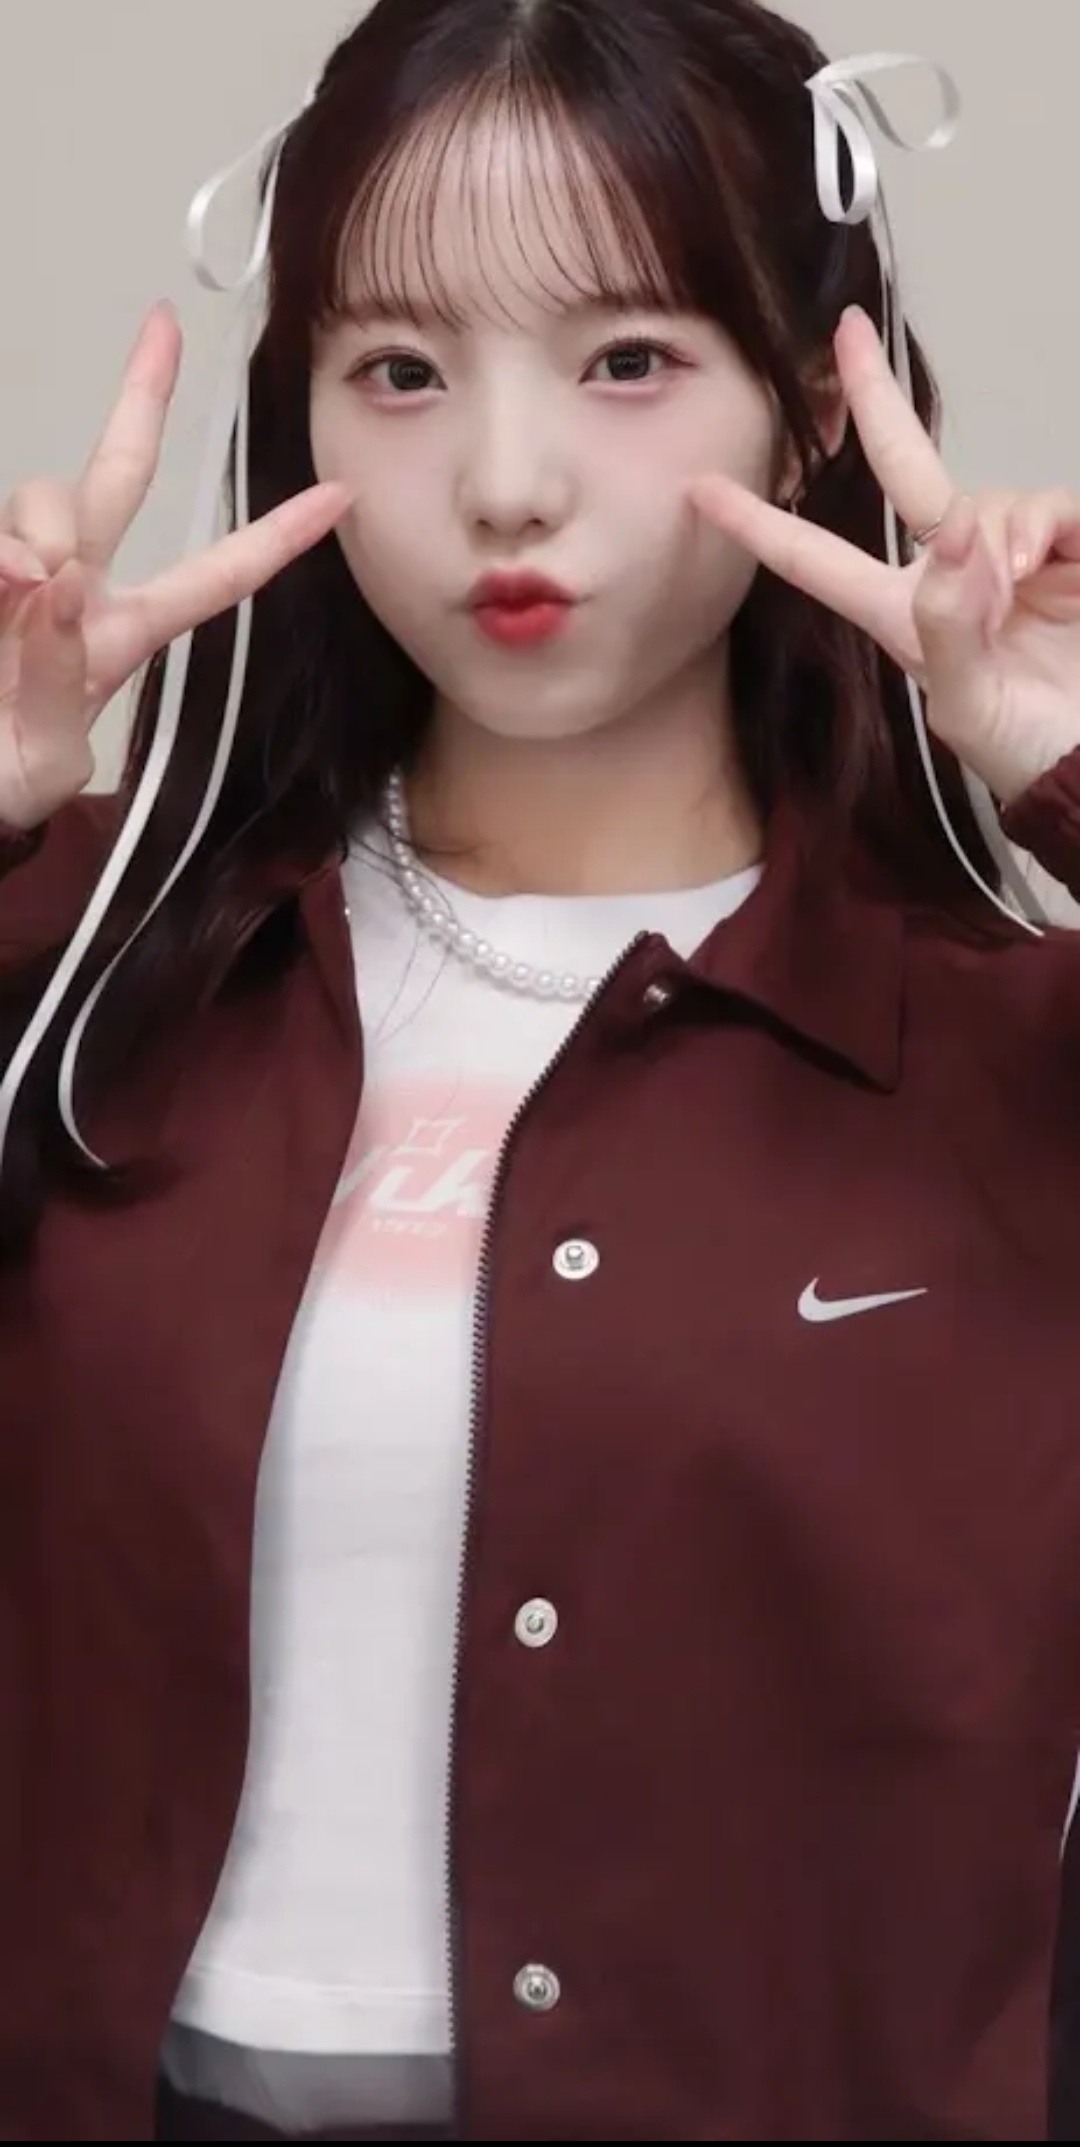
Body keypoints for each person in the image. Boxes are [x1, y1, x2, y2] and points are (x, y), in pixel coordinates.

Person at [3, 0, 1080, 2137]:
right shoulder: (85, 975)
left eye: (628, 360)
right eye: (401, 373)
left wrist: (1068, 763)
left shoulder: (1006, 1049)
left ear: (811, 407)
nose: (504, 482)